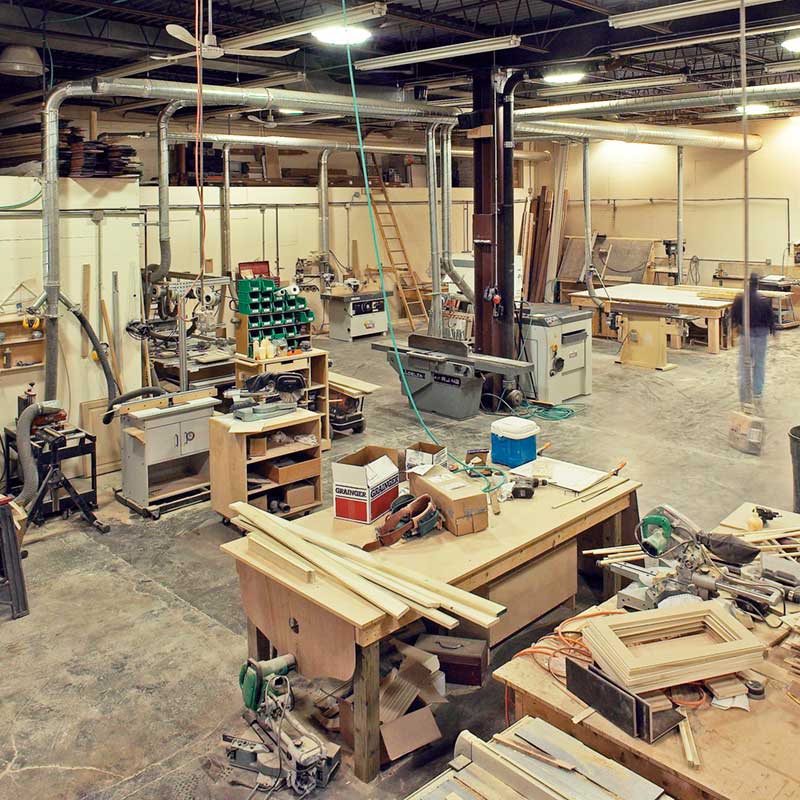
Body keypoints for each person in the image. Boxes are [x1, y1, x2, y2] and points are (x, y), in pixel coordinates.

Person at [731, 272, 775, 405]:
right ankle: (757, 393)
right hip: (761, 335)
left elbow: (734, 316)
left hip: (746, 335)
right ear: (758, 284)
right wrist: (774, 332)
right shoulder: (764, 300)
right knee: (759, 365)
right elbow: (771, 319)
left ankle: (744, 396)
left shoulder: (740, 299)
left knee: (744, 366)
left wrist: (734, 330)